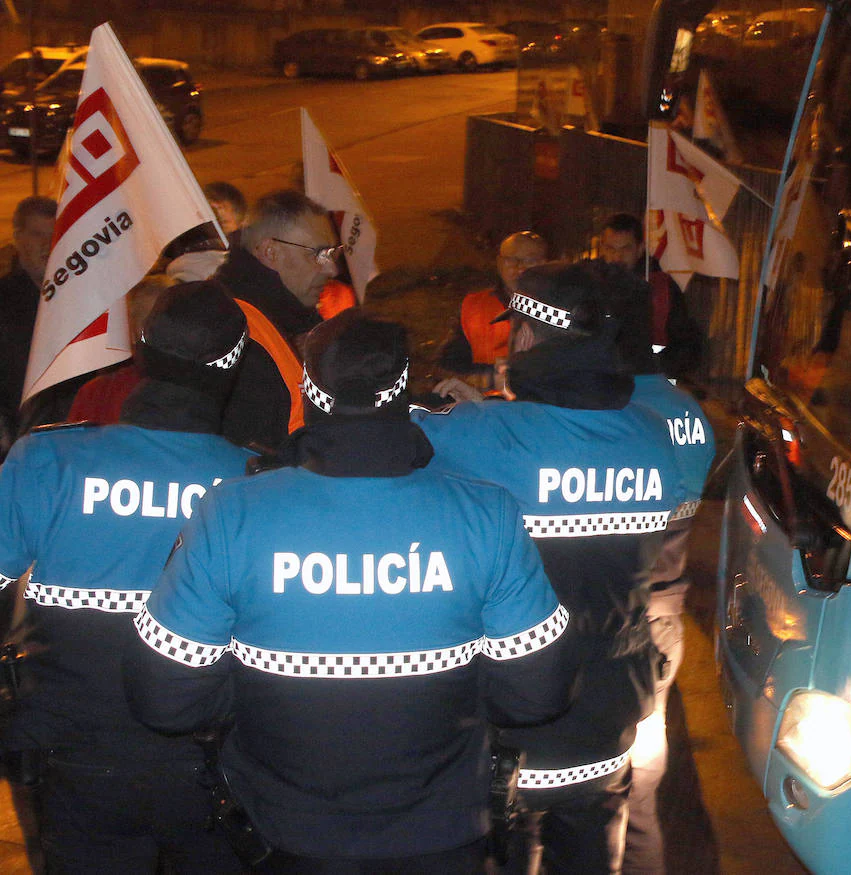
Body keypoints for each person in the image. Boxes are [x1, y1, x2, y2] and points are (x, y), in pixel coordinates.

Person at [126, 310, 576, 873]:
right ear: (402, 391)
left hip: (279, 833)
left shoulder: (233, 511)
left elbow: (165, 699)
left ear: (308, 391)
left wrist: (256, 694)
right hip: (441, 831)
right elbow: (537, 695)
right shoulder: (486, 513)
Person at [415, 263, 685, 874]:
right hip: (610, 710)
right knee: (591, 852)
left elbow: (382, 441)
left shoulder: (482, 433)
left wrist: (466, 411)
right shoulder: (652, 434)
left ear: (532, 337)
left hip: (509, 711)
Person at [0, 281, 254, 872]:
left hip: (74, 761)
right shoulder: (255, 482)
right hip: (216, 768)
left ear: (141, 348)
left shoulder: (49, 459)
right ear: (233, 367)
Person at [584, 261, 715, 875]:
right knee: (644, 783)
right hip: (667, 609)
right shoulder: (690, 411)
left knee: (596, 786)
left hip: (615, 616)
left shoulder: (613, 419)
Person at [214, 189, 338, 449]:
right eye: (317, 254)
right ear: (270, 252)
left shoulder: (291, 320)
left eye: (331, 254)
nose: (332, 269)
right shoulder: (235, 333)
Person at [436, 231, 548, 395]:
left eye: (529, 260)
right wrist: (492, 377)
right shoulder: (474, 307)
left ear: (545, 264)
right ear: (499, 263)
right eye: (511, 260)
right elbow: (446, 366)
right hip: (487, 408)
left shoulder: (562, 309)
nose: (519, 268)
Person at [598, 213, 704, 380]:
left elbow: (684, 343)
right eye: (611, 249)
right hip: (601, 381)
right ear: (602, 249)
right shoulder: (589, 284)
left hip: (650, 381)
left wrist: (660, 369)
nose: (617, 257)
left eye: (626, 249)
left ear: (640, 249)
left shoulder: (662, 288)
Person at [65, 275, 173, 424]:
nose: (165, 333)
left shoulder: (205, 387)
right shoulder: (98, 395)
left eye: (171, 322)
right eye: (152, 324)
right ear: (130, 331)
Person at [0, 196, 56, 455]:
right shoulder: (5, 301)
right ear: (17, 238)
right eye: (37, 234)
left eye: (54, 235)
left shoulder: (78, 301)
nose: (47, 244)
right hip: (14, 445)